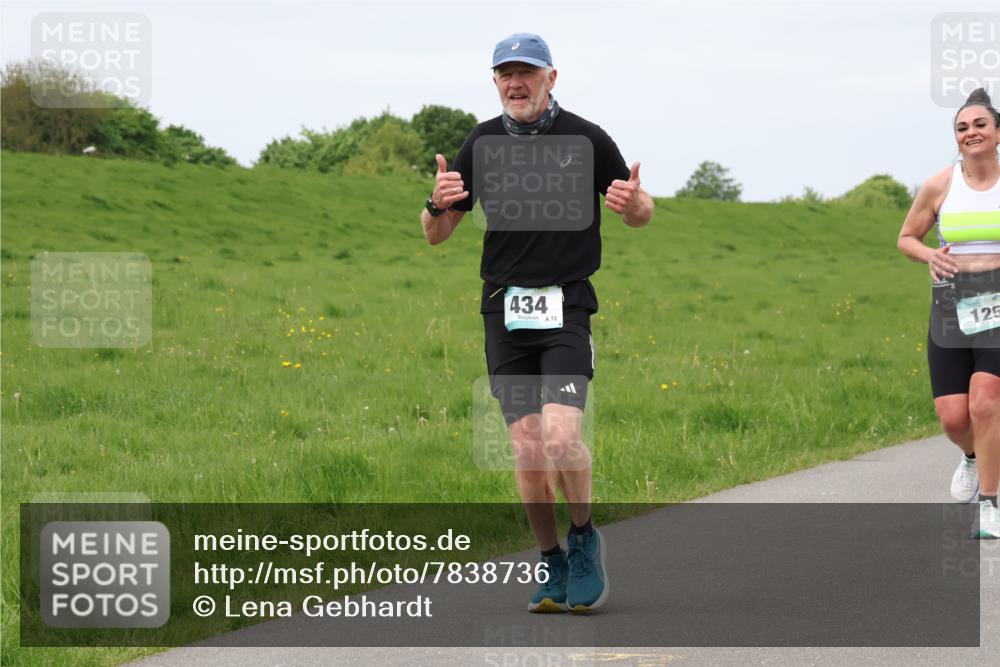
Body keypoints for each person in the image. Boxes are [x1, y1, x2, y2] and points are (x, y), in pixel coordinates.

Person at [419, 33, 654, 610]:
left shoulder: (586, 138)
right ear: (495, 81)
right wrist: (434, 204)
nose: (514, 83)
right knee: (526, 449)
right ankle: (550, 561)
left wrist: (635, 205)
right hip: (504, 310)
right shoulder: (481, 142)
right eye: (505, 74)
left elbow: (640, 211)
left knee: (562, 436)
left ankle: (583, 538)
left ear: (552, 78)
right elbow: (437, 233)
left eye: (527, 72)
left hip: (567, 305)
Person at [897, 87, 1000, 538]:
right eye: (962, 128)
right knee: (954, 417)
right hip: (951, 304)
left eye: (980, 124)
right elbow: (907, 237)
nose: (971, 132)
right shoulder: (940, 184)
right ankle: (975, 457)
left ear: (997, 132)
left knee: (985, 401)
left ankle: (990, 504)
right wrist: (928, 256)